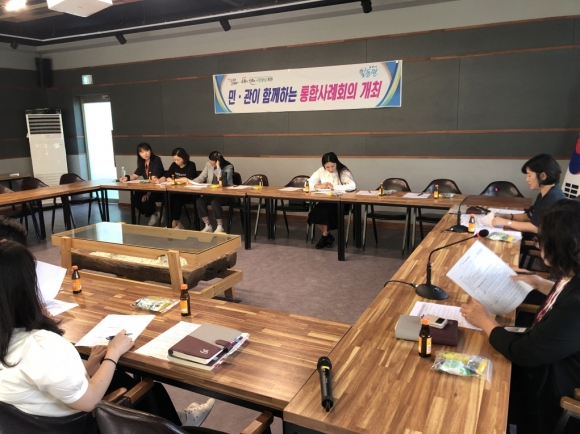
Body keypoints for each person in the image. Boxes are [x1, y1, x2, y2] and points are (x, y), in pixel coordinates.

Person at [0, 240, 215, 430]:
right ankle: (173, 426)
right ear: (25, 290)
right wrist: (113, 353)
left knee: (119, 377)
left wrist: (87, 368)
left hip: (34, 424)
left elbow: (44, 382)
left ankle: (175, 420)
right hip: (81, 426)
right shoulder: (41, 346)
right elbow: (89, 401)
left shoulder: (10, 341)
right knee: (147, 387)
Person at [460, 199, 580, 434]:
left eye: (541, 240)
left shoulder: (576, 305)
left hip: (555, 382)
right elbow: (565, 293)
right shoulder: (573, 272)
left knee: (475, 385)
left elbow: (525, 353)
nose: (538, 244)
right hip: (552, 352)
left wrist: (485, 320)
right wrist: (538, 282)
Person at [490, 154, 566, 235]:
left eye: (529, 175)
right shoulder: (546, 193)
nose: (527, 179)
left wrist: (505, 222)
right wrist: (504, 216)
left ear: (543, 176)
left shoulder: (553, 197)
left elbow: (535, 227)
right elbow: (530, 216)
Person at [307, 152, 356, 249]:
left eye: (332, 166)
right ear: (324, 166)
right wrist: (318, 185)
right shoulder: (321, 170)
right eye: (327, 167)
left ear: (336, 163)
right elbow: (309, 183)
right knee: (314, 213)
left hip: (341, 201)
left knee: (326, 212)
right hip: (326, 200)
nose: (330, 169)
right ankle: (328, 236)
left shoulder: (343, 171)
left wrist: (334, 187)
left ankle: (324, 236)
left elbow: (352, 185)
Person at [119, 142, 165, 226]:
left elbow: (154, 179)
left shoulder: (156, 160)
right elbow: (135, 175)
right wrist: (126, 178)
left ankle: (154, 214)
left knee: (146, 199)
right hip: (148, 188)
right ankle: (155, 214)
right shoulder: (142, 163)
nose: (145, 154)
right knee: (135, 198)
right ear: (139, 154)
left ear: (150, 150)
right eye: (142, 152)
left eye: (146, 150)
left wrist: (148, 193)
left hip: (159, 189)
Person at [192, 151, 234, 233]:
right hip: (212, 192)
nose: (211, 165)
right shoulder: (208, 164)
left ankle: (220, 226)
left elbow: (222, 181)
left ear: (219, 162)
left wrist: (218, 167)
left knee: (215, 202)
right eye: (210, 163)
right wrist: (191, 182)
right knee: (200, 201)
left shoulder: (228, 167)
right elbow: (202, 177)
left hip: (225, 194)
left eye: (213, 164)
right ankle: (207, 225)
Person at [155, 148, 197, 229]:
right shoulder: (174, 165)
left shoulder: (191, 165)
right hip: (176, 191)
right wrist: (159, 180)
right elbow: (166, 176)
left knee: (177, 201)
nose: (176, 162)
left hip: (188, 192)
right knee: (167, 199)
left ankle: (173, 224)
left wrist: (173, 180)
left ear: (184, 158)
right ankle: (176, 223)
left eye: (178, 159)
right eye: (174, 160)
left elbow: (187, 179)